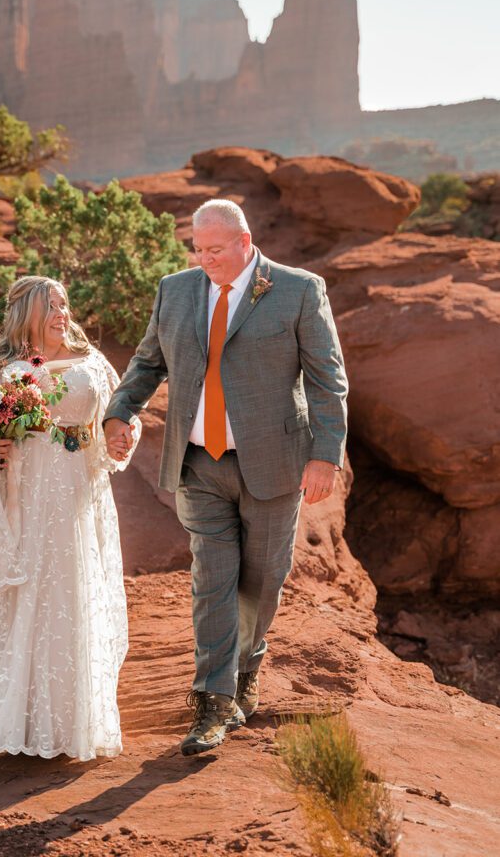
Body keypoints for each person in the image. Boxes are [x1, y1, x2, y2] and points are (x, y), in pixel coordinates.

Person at [103, 200, 348, 756]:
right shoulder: (176, 289)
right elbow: (148, 363)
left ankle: (247, 670)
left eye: (215, 249)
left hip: (274, 463)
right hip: (199, 463)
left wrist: (325, 455)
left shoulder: (297, 290)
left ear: (245, 241)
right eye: (198, 248)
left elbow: (328, 381)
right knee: (212, 579)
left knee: (261, 581)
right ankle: (212, 703)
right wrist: (121, 409)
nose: (205, 258)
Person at [0, 275, 140, 760]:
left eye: (65, 304)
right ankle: (12, 720)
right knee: (20, 596)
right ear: (28, 316)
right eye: (52, 306)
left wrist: (121, 435)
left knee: (68, 590)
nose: (63, 313)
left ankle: (67, 724)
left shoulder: (90, 360)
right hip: (20, 498)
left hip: (76, 496)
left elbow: (120, 412)